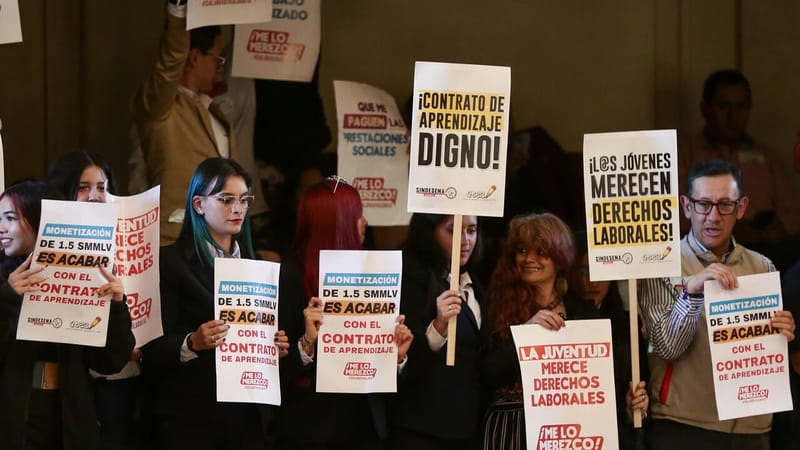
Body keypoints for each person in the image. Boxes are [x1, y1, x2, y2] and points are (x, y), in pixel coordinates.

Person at [638, 159, 796, 450]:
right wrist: (692, 292)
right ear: (686, 206)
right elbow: (667, 348)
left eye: (725, 205)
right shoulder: (661, 264)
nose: (713, 216)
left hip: (753, 426)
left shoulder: (762, 267)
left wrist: (782, 332)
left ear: (741, 207)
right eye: (703, 204)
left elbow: (770, 352)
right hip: (684, 425)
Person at [141, 158, 292, 449]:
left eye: (244, 200)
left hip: (244, 420)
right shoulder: (170, 261)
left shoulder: (258, 267)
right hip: (189, 420)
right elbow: (151, 348)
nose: (238, 208)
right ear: (198, 204)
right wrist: (191, 342)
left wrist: (273, 345)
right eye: (226, 199)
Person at [483, 213, 648, 450]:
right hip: (513, 432)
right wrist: (526, 335)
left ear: (560, 258)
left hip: (570, 433)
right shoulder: (497, 307)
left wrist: (629, 406)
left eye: (540, 251)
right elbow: (486, 373)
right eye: (522, 250)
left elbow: (598, 391)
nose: (528, 258)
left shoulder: (585, 314)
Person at [275, 177, 413, 450]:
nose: (365, 223)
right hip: (309, 431)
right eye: (358, 215)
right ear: (337, 223)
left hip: (366, 427)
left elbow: (392, 378)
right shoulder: (289, 277)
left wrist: (396, 356)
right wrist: (307, 343)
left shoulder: (375, 273)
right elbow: (275, 370)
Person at [0, 180, 135, 449]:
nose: (1, 227)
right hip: (13, 421)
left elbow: (110, 362)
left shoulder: (88, 276)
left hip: (69, 419)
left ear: (42, 221)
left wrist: (116, 306)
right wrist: (6, 298)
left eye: (10, 218)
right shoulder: (4, 282)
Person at [48, 150, 142, 450]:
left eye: (102, 188)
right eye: (82, 188)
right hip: (71, 390)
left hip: (124, 375)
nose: (94, 196)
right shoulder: (46, 247)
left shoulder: (128, 240)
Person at [131, 0, 236, 244]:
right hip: (176, 238)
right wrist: (178, 12)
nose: (220, 69)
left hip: (219, 240)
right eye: (218, 59)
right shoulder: (160, 107)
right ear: (195, 57)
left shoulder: (215, 112)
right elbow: (168, 67)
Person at [678, 69, 800, 268]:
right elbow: (672, 215)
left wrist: (778, 229)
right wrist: (731, 225)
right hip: (703, 251)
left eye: (740, 107)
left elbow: (792, 215)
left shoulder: (766, 157)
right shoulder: (685, 153)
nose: (732, 116)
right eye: (723, 107)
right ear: (705, 109)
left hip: (766, 249)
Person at [387, 214, 487, 450]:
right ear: (429, 232)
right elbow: (400, 361)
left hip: (466, 429)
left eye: (471, 230)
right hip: (421, 430)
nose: (465, 240)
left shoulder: (475, 284)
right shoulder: (406, 280)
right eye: (453, 230)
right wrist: (438, 327)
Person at [570, 231, 650, 449]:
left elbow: (641, 383)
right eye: (583, 270)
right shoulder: (558, 321)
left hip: (616, 437)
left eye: (600, 270)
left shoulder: (628, 324)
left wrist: (636, 407)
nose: (591, 280)